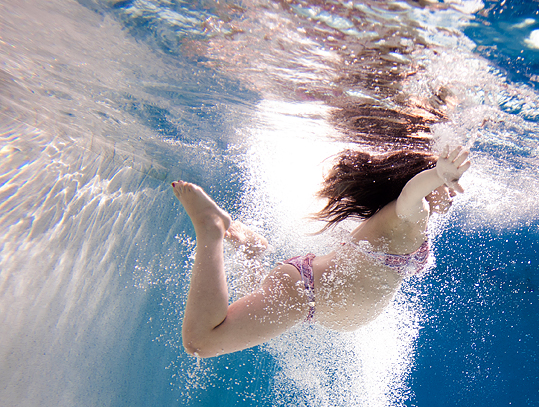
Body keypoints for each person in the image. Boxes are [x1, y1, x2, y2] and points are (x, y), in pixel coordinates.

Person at [171, 146, 470, 358]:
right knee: (201, 342)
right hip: (305, 292)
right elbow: (411, 192)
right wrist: (437, 175)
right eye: (450, 184)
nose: (453, 191)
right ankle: (210, 229)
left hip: (309, 299)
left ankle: (251, 250)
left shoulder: (415, 224)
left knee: (250, 307)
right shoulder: (412, 212)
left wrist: (438, 178)